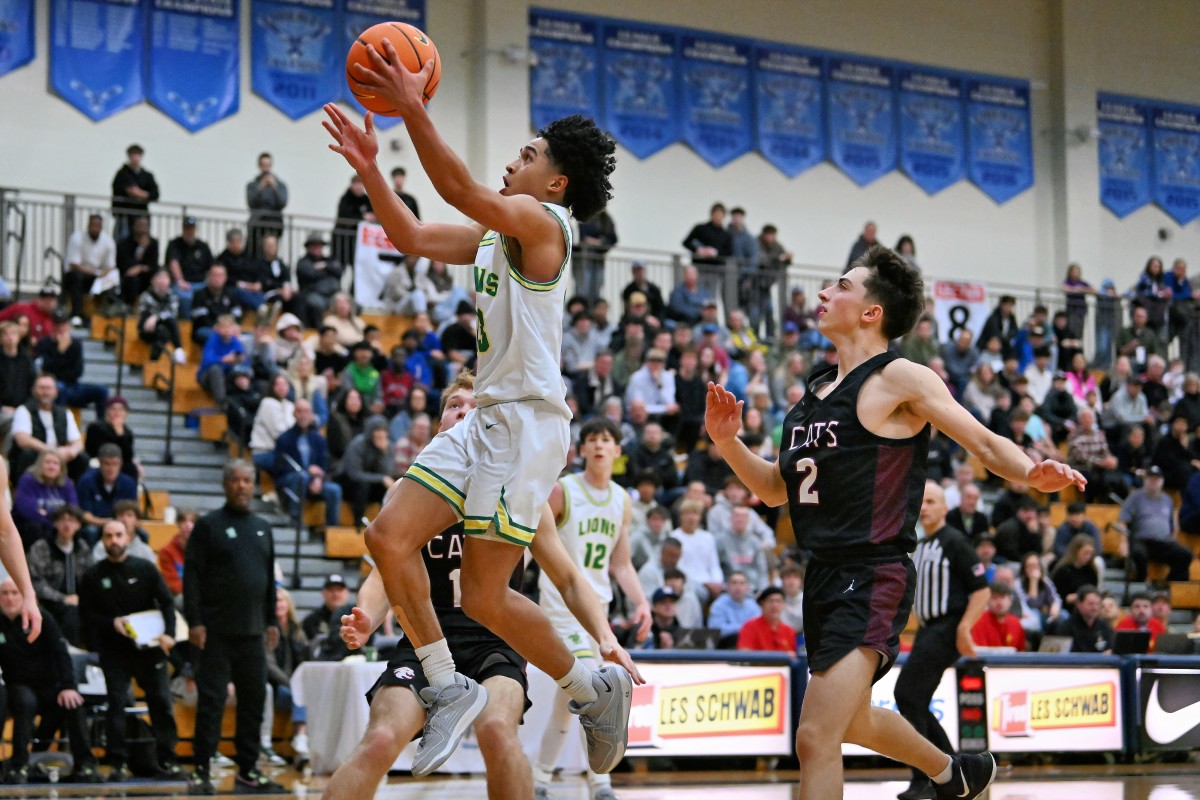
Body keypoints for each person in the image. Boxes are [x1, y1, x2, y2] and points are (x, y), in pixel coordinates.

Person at [323, 47, 632, 776]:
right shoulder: (500, 235)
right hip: (485, 415)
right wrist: (371, 169)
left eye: (526, 154)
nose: (512, 161)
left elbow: (458, 188)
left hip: (526, 425)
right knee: (388, 537)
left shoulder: (545, 224)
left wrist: (412, 107)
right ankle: (442, 680)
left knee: (484, 595)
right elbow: (413, 237)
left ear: (555, 181)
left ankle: (592, 689)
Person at [703, 245, 1085, 800]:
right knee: (852, 723)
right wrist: (726, 441)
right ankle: (954, 774)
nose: (823, 293)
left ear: (870, 312)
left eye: (840, 285)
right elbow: (770, 489)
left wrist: (1031, 471)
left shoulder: (901, 377)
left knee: (816, 737)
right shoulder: (810, 395)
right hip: (823, 576)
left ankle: (949, 775)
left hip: (873, 571)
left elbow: (980, 439)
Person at [326, 376, 642, 800]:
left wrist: (605, 637)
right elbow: (385, 571)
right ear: (440, 423)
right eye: (454, 406)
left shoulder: (521, 493)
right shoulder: (409, 490)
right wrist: (367, 616)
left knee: (497, 730)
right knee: (382, 737)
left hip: (495, 642)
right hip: (425, 640)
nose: (463, 413)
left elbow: (568, 577)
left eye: (474, 408)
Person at [533, 417, 651, 800]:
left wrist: (641, 601)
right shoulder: (562, 491)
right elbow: (530, 546)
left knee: (568, 701)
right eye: (592, 440)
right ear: (580, 449)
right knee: (591, 687)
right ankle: (600, 781)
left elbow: (621, 563)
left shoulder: (622, 499)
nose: (599, 445)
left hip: (595, 610)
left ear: (617, 452)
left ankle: (539, 778)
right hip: (559, 604)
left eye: (606, 440)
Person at [184, 461, 286, 795]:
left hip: (254, 632)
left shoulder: (262, 526)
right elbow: (192, 578)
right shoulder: (208, 526)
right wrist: (195, 621)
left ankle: (248, 770)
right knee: (211, 702)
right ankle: (201, 769)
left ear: (254, 485)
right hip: (215, 631)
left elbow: (268, 580)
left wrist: (271, 619)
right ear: (225, 484)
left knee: (254, 701)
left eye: (248, 481)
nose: (242, 486)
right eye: (236, 480)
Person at [892, 481, 989, 800]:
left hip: (946, 628)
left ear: (946, 508)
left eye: (932, 501)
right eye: (922, 501)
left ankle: (930, 776)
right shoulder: (921, 543)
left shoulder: (954, 541)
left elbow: (981, 589)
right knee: (912, 699)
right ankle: (954, 771)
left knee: (907, 693)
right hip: (928, 629)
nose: (925, 507)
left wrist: (964, 628)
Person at [78, 520, 180, 782]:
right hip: (115, 649)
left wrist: (168, 633)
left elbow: (167, 603)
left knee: (160, 700)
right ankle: (117, 762)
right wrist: (110, 623)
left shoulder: (145, 568)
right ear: (102, 540)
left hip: (149, 647)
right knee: (117, 703)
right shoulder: (93, 576)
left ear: (128, 537)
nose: (113, 540)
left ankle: (167, 758)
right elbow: (86, 616)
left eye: (118, 535)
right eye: (108, 536)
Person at [0, 577, 101, 784]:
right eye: (4, 593)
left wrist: (68, 687)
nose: (10, 598)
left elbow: (61, 653)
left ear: (24, 596)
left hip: (50, 685)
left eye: (14, 593)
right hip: (18, 685)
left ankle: (86, 766)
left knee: (74, 703)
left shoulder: (41, 617)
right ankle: (19, 766)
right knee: (24, 701)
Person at [272, 399, 342, 534]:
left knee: (335, 489)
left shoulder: (319, 439)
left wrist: (318, 479)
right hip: (290, 481)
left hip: (314, 482)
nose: (303, 415)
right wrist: (307, 473)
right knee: (301, 476)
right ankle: (295, 518)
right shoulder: (284, 439)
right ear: (294, 414)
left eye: (306, 411)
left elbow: (324, 465)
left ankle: (331, 531)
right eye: (299, 411)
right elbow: (279, 467)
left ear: (311, 415)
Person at [27, 504, 91, 646]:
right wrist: (62, 598)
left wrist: (82, 599)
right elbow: (36, 582)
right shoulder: (41, 547)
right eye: (62, 520)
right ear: (55, 523)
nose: (67, 524)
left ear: (79, 525)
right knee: (69, 615)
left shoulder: (83, 548)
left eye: (72, 520)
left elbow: (89, 580)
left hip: (78, 602)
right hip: (49, 602)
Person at [1121, 465, 1193, 583]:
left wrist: (1173, 539)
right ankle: (1141, 582)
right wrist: (1123, 542)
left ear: (1162, 481)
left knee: (1185, 555)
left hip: (1163, 542)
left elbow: (1173, 524)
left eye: (1157, 479)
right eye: (1151, 478)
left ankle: (1170, 585)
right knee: (1139, 554)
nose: (1153, 482)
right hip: (1142, 540)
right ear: (1145, 480)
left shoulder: (1168, 500)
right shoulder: (1135, 497)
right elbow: (1124, 520)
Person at [37, 310, 110, 416]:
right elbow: (47, 370)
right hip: (53, 386)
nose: (60, 328)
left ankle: (101, 426)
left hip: (73, 386)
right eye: (57, 324)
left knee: (102, 391)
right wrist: (60, 352)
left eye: (63, 324)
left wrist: (60, 369)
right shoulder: (44, 343)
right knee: (59, 388)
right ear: (52, 325)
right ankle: (58, 423)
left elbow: (78, 371)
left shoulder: (75, 344)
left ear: (68, 326)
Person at [12, 449, 78, 547]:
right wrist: (55, 519)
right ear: (39, 465)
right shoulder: (28, 480)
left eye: (55, 463)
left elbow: (73, 508)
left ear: (61, 468)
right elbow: (27, 510)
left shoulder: (66, 483)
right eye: (47, 462)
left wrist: (48, 514)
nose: (51, 467)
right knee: (35, 528)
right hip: (30, 525)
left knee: (73, 528)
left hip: (56, 524)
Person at [62, 213, 117, 327]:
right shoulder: (77, 238)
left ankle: (105, 316)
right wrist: (96, 272)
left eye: (98, 225)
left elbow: (110, 266)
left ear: (101, 227)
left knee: (112, 280)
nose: (95, 227)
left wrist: (103, 274)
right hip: (77, 273)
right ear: (88, 225)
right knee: (76, 277)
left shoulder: (108, 241)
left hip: (96, 276)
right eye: (93, 225)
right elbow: (74, 264)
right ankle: (76, 314)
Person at [301, 574, 357, 662]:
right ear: (323, 593)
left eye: (339, 590)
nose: (335, 594)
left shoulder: (356, 616)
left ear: (347, 593)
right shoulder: (311, 621)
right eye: (331, 590)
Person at [111, 144, 159, 240]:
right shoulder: (122, 174)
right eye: (132, 155)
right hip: (125, 214)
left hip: (141, 215)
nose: (135, 158)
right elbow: (118, 189)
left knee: (142, 239)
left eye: (137, 155)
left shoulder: (147, 176)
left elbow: (155, 193)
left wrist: (142, 194)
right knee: (123, 241)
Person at [246, 152, 288, 256]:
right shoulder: (252, 185)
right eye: (263, 165)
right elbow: (251, 202)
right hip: (257, 223)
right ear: (259, 166)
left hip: (274, 223)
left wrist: (275, 188)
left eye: (268, 165)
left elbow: (282, 203)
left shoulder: (280, 185)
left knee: (271, 252)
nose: (266, 168)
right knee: (256, 252)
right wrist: (260, 187)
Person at [738, 586, 798, 656]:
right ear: (762, 604)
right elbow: (744, 653)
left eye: (778, 601)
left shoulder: (789, 631)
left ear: (783, 604)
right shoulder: (749, 627)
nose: (774, 605)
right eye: (770, 601)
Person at [1056, 584, 1113, 654]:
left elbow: (1110, 648)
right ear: (1079, 604)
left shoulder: (1104, 626)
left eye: (1097, 604)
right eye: (1090, 604)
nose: (1095, 608)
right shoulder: (1066, 628)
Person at [971, 581, 1026, 651]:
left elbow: (1021, 651)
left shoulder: (1016, 623)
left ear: (1010, 600)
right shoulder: (979, 621)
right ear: (987, 601)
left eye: (1002, 597)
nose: (999, 602)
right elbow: (980, 652)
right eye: (994, 598)